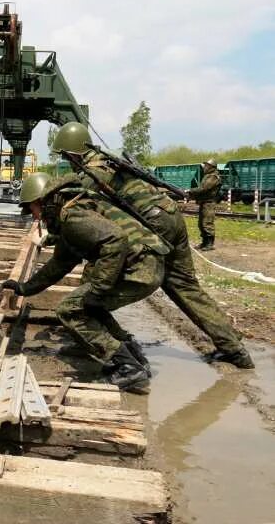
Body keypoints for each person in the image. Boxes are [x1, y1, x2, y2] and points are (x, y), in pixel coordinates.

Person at [52, 123, 252, 368]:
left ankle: (92, 339)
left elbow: (78, 199)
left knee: (95, 278)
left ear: (72, 153)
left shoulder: (95, 169)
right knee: (186, 286)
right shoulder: (107, 161)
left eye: (65, 156)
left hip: (154, 221)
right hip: (170, 216)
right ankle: (234, 347)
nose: (67, 160)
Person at [1, 173, 170, 392]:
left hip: (139, 270)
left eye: (32, 209)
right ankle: (134, 356)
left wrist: (99, 288)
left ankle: (129, 369)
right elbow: (60, 264)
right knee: (90, 306)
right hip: (145, 267)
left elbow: (115, 240)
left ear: (43, 201)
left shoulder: (73, 216)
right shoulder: (71, 214)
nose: (35, 218)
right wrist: (25, 288)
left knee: (70, 310)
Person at [187, 159, 221, 251]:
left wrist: (190, 191)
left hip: (209, 203)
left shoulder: (213, 177)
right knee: (201, 223)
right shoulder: (208, 176)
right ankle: (204, 242)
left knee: (207, 223)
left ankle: (210, 244)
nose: (204, 167)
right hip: (204, 202)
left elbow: (204, 188)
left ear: (211, 167)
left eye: (206, 166)